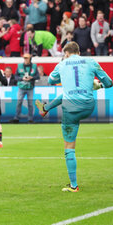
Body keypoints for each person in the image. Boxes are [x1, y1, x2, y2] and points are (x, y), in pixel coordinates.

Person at [35, 42, 112, 192]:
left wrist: (62, 65)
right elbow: (109, 83)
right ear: (79, 52)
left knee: (69, 147)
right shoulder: (91, 61)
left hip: (70, 109)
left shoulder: (63, 63)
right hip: (89, 106)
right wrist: (96, 85)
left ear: (67, 53)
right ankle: (45, 108)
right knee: (69, 92)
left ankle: (74, 185)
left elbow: (50, 80)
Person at [10, 53, 39, 123]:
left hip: (30, 87)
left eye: (27, 58)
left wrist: (32, 78)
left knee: (30, 104)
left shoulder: (34, 66)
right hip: (21, 87)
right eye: (24, 58)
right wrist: (22, 78)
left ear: (30, 59)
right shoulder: (19, 66)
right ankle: (16, 118)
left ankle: (30, 119)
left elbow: (38, 76)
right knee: (19, 102)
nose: (25, 59)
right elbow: (15, 77)